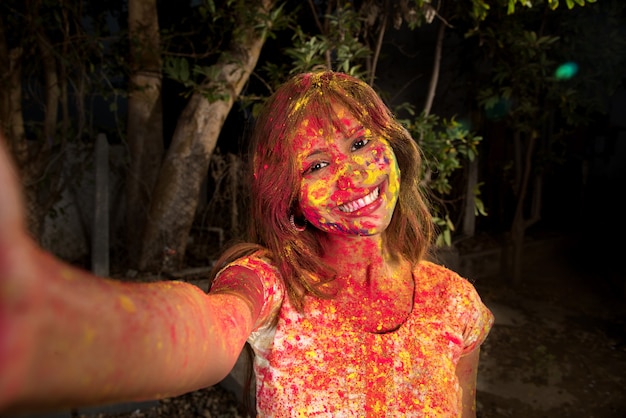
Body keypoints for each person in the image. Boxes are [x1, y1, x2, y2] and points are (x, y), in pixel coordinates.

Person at [0, 71, 493, 417]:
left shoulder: (455, 303)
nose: (354, 174)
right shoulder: (274, 284)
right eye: (317, 165)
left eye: (361, 143)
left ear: (391, 146)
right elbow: (210, 329)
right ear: (291, 199)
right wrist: (63, 323)